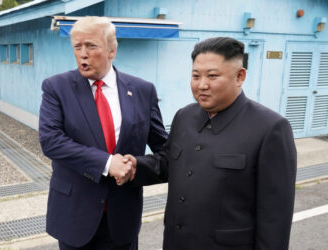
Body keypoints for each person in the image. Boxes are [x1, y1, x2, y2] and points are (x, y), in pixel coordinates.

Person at [123, 37, 297, 250]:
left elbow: (275, 216)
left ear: (239, 76)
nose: (202, 85)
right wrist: (134, 166)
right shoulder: (184, 116)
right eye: (196, 76)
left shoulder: (270, 128)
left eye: (212, 76)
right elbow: (169, 162)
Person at [38, 16, 167, 250]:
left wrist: (136, 167)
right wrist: (108, 163)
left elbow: (164, 149)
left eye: (91, 46)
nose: (83, 54)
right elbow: (51, 141)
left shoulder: (142, 90)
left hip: (122, 217)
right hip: (74, 216)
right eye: (77, 47)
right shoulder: (56, 87)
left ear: (111, 51)